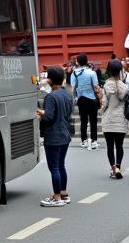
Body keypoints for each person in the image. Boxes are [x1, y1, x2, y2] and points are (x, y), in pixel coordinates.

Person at [37, 65, 73, 206]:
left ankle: (57, 197)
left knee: (54, 168)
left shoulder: (51, 97)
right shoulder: (67, 94)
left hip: (53, 136)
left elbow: (49, 117)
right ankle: (63, 192)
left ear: (50, 80)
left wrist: (41, 113)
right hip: (65, 134)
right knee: (61, 165)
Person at [100, 59, 129, 179]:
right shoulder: (125, 87)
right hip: (120, 119)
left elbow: (104, 104)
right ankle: (118, 166)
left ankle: (112, 168)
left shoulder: (106, 85)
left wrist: (101, 111)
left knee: (110, 146)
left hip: (109, 118)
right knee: (119, 145)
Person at [70, 53, 100, 150]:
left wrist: (74, 98)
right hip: (91, 99)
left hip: (81, 99)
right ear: (87, 61)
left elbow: (73, 88)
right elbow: (96, 88)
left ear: (77, 62)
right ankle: (94, 141)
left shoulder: (74, 73)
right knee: (93, 121)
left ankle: (84, 141)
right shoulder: (92, 73)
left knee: (83, 120)